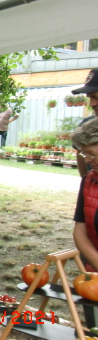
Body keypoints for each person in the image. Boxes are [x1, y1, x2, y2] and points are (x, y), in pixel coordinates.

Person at [71, 119, 98, 327]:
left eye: (92, 154)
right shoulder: (88, 180)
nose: (87, 160)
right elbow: (79, 232)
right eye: (84, 154)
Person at [72, 68, 98, 177]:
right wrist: (86, 183)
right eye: (90, 98)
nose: (92, 104)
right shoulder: (87, 125)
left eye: (96, 97)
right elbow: (84, 175)